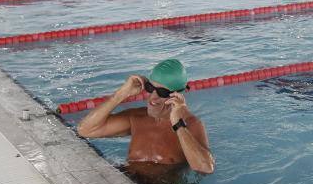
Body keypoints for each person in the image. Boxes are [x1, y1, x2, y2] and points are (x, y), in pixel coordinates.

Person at [77, 59, 215, 174]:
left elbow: (205, 168)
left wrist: (178, 124)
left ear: (177, 95)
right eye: (150, 88)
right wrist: (120, 94)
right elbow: (85, 130)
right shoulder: (137, 117)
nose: (152, 98)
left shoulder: (191, 124)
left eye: (161, 92)